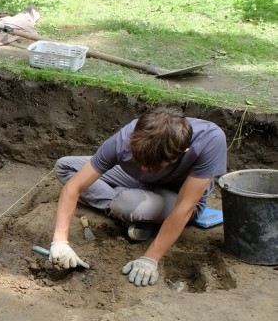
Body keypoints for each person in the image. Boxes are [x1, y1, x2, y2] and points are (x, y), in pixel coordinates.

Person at [49, 108, 227, 286]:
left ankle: (126, 206)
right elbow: (74, 187)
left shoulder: (210, 140)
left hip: (177, 197)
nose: (143, 168)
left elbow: (185, 207)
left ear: (184, 151)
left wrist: (150, 258)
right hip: (134, 181)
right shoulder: (125, 139)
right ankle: (127, 206)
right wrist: (60, 241)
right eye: (138, 160)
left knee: (126, 203)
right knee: (65, 167)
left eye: (153, 165)